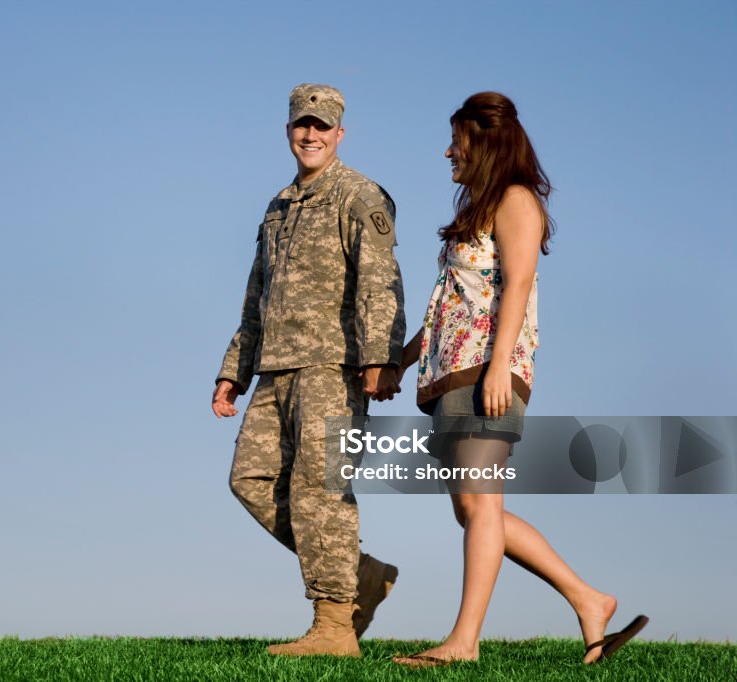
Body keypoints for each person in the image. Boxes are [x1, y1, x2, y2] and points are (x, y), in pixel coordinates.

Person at [391, 91, 648, 667]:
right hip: (453, 373)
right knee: (476, 511)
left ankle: (463, 642)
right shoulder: (481, 207)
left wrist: (500, 364)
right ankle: (590, 599)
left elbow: (520, 283)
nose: (447, 151)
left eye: (455, 139)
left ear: (482, 140)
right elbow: (449, 305)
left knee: (481, 507)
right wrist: (403, 364)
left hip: (488, 372)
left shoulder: (515, 200)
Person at [212, 83, 406, 657]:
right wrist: (233, 371)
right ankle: (360, 575)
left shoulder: (358, 195)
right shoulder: (277, 206)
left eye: (322, 126)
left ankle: (333, 626)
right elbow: (257, 296)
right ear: (289, 131)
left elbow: (380, 281)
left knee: (318, 491)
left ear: (340, 134)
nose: (311, 134)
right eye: (303, 125)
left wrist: (380, 358)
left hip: (334, 366)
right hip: (275, 368)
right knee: (249, 480)